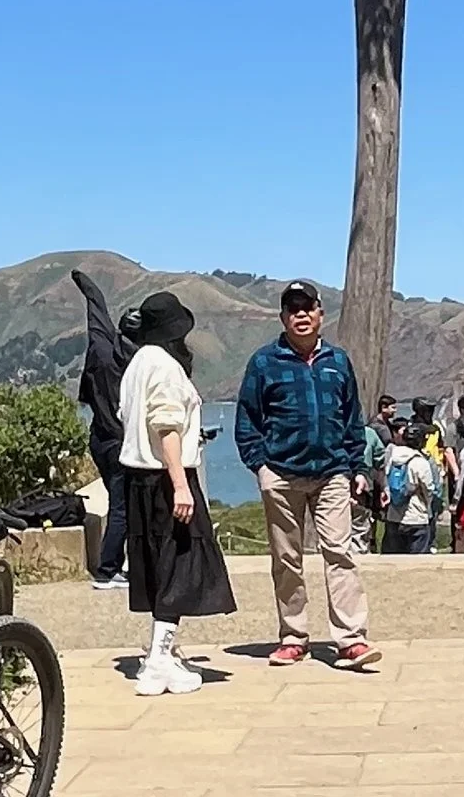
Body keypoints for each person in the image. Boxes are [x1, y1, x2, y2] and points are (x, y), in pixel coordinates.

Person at [232, 280, 379, 668]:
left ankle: (351, 640)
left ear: (320, 314)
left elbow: (352, 418)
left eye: (307, 307)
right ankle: (294, 636)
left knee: (340, 553)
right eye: (292, 309)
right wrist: (260, 465)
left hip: (332, 472)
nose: (300, 315)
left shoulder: (339, 361)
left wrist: (356, 466)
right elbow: (247, 417)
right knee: (287, 558)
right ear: (283, 317)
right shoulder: (264, 362)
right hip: (281, 473)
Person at [120, 291, 236, 694]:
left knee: (157, 566)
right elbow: (166, 426)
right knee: (179, 565)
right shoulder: (166, 367)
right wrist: (181, 485)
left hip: (136, 478)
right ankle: (157, 660)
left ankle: (162, 656)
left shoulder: (136, 364)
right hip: (166, 476)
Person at [72, 267, 137, 590]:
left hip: (99, 438)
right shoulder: (138, 363)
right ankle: (107, 569)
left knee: (120, 503)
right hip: (121, 443)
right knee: (123, 508)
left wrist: (88, 287)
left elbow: (96, 314)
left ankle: (115, 566)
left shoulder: (101, 349)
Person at [380, 418, 444, 553]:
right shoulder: (419, 461)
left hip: (393, 516)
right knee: (417, 563)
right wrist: (427, 507)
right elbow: (429, 489)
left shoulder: (392, 456)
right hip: (416, 518)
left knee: (394, 561)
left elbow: (385, 479)